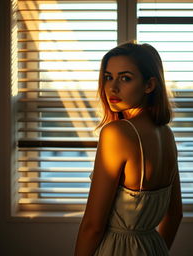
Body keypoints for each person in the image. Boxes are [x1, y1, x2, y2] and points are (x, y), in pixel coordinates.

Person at [74, 42, 183, 256]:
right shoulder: (166, 134)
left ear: (149, 85)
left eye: (125, 78)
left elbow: (92, 226)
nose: (112, 88)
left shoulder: (116, 133)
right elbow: (175, 215)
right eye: (108, 77)